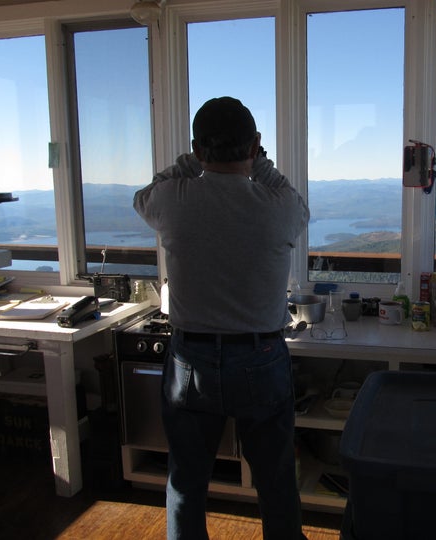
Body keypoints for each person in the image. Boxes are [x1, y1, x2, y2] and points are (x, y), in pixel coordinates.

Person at [133, 96, 310, 540]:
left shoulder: (174, 198)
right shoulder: (280, 207)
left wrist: (191, 161)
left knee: (187, 482)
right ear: (254, 147)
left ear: (197, 148)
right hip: (261, 354)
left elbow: (144, 196)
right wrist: (259, 161)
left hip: (190, 359)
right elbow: (297, 204)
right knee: (275, 481)